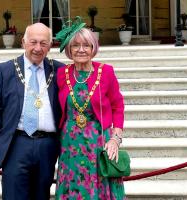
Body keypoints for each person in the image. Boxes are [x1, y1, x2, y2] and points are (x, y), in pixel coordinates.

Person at [0, 23, 64, 200]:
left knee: (41, 195)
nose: (38, 48)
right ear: (23, 42)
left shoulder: (59, 70)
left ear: (50, 46)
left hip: (48, 146)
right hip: (16, 143)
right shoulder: (5, 70)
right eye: (33, 42)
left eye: (43, 43)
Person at [54, 17, 126, 199]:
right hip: (70, 144)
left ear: (94, 48)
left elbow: (118, 106)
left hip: (98, 141)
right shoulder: (62, 74)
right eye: (75, 45)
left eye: (86, 45)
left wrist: (115, 139)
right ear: (69, 50)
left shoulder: (106, 72)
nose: (81, 50)